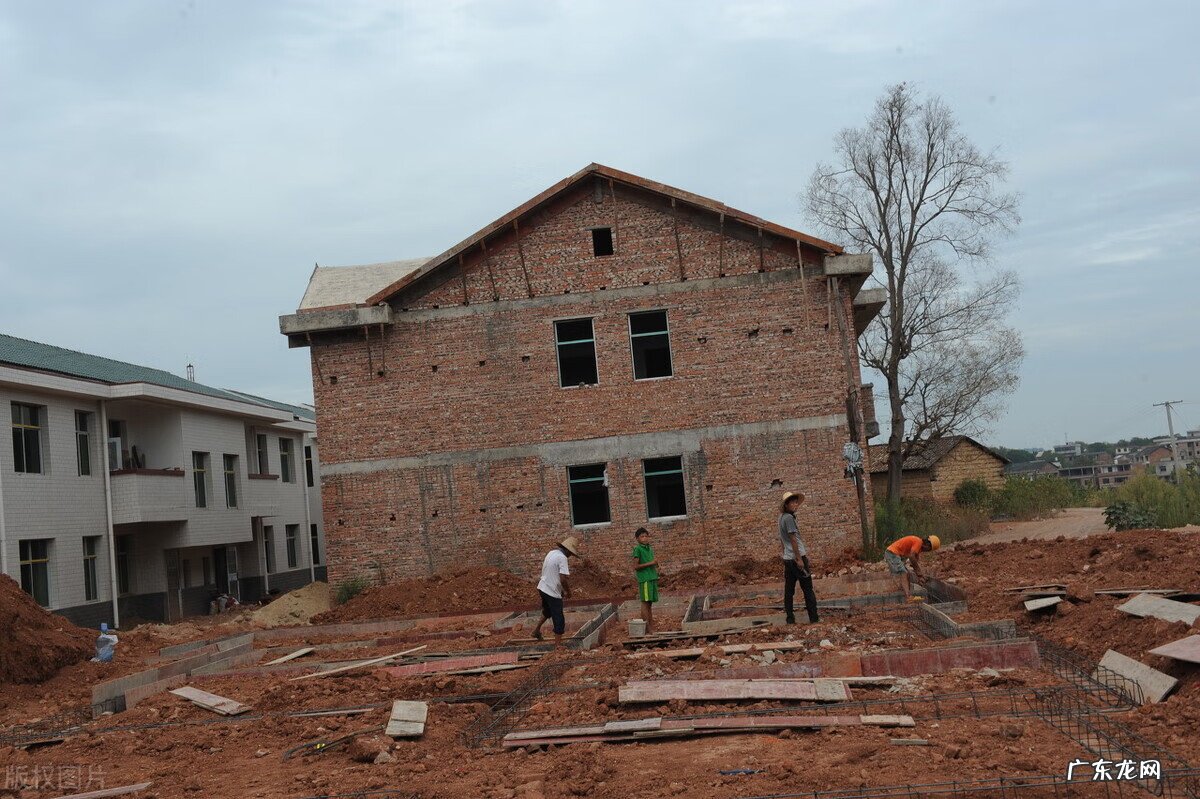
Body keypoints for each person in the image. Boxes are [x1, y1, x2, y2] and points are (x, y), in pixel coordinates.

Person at [779, 491, 819, 624]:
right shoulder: (789, 519)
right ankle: (814, 618)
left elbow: (782, 540)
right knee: (807, 588)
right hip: (796, 558)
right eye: (793, 502)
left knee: (789, 590)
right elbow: (793, 539)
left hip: (788, 559)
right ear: (786, 504)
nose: (796, 504)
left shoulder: (781, 518)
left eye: (796, 502)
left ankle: (790, 619)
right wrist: (799, 559)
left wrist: (785, 555)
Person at [532, 536, 581, 646]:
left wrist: (560, 591)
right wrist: (568, 592)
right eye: (571, 554)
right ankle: (558, 647)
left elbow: (551, 573)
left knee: (548, 611)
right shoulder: (562, 558)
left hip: (543, 587)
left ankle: (536, 631)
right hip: (551, 592)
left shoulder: (552, 552)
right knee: (559, 619)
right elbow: (563, 579)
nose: (570, 556)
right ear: (567, 550)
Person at [885, 534, 941, 601]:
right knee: (903, 572)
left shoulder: (918, 548)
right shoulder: (918, 542)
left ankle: (907, 594)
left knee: (907, 573)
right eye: (928, 550)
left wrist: (920, 576)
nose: (926, 551)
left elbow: (914, 563)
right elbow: (911, 557)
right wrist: (919, 573)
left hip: (896, 554)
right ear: (927, 544)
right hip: (892, 553)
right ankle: (908, 597)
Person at [631, 527, 659, 634]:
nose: (644, 538)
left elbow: (652, 561)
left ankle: (651, 625)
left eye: (646, 536)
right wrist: (651, 563)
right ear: (637, 539)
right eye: (642, 536)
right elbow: (636, 566)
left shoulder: (649, 548)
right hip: (645, 579)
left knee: (650, 603)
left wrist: (656, 566)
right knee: (645, 602)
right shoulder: (638, 549)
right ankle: (647, 628)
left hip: (652, 577)